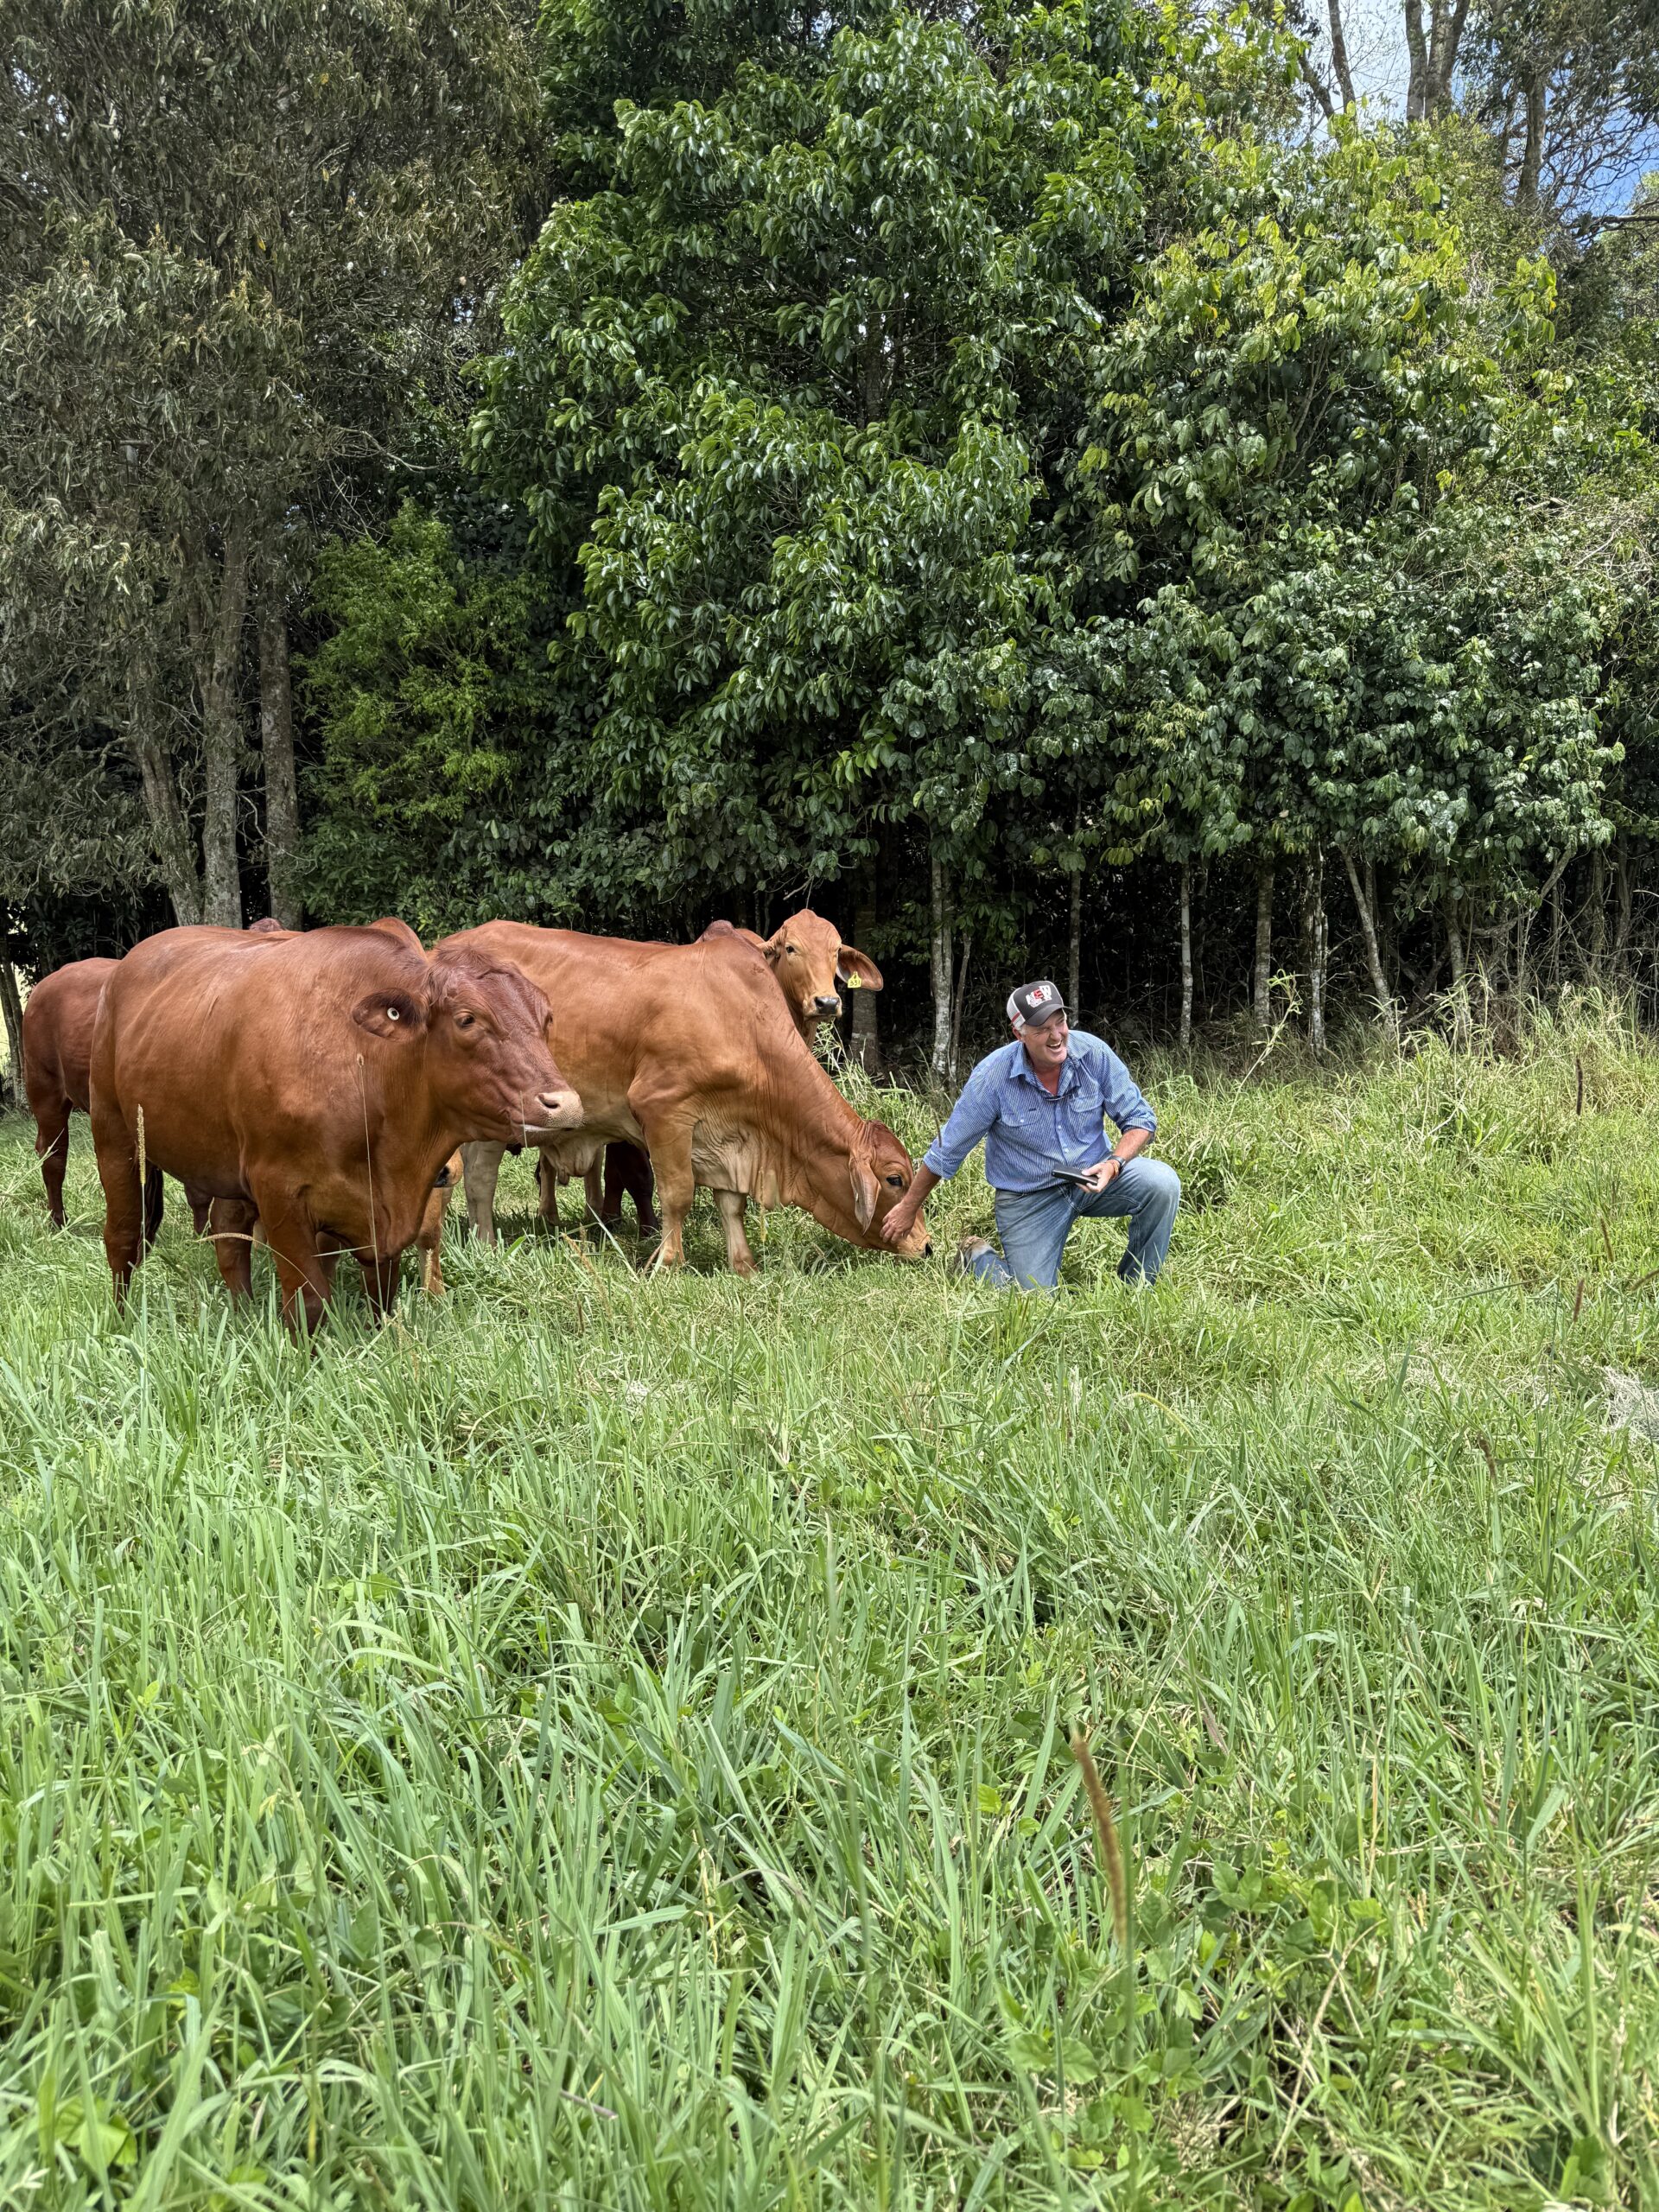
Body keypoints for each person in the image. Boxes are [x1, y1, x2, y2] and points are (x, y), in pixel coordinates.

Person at [878, 979, 1180, 1287]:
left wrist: (1114, 1163)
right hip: (1028, 1198)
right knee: (1033, 1301)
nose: (1056, 1036)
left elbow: (1140, 1119)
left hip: (1093, 1177)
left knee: (1162, 1183)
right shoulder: (993, 1078)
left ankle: (1137, 1286)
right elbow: (946, 1152)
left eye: (1060, 1022)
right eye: (1041, 1029)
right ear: (1019, 1033)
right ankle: (977, 1258)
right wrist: (908, 1206)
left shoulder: (1093, 1054)